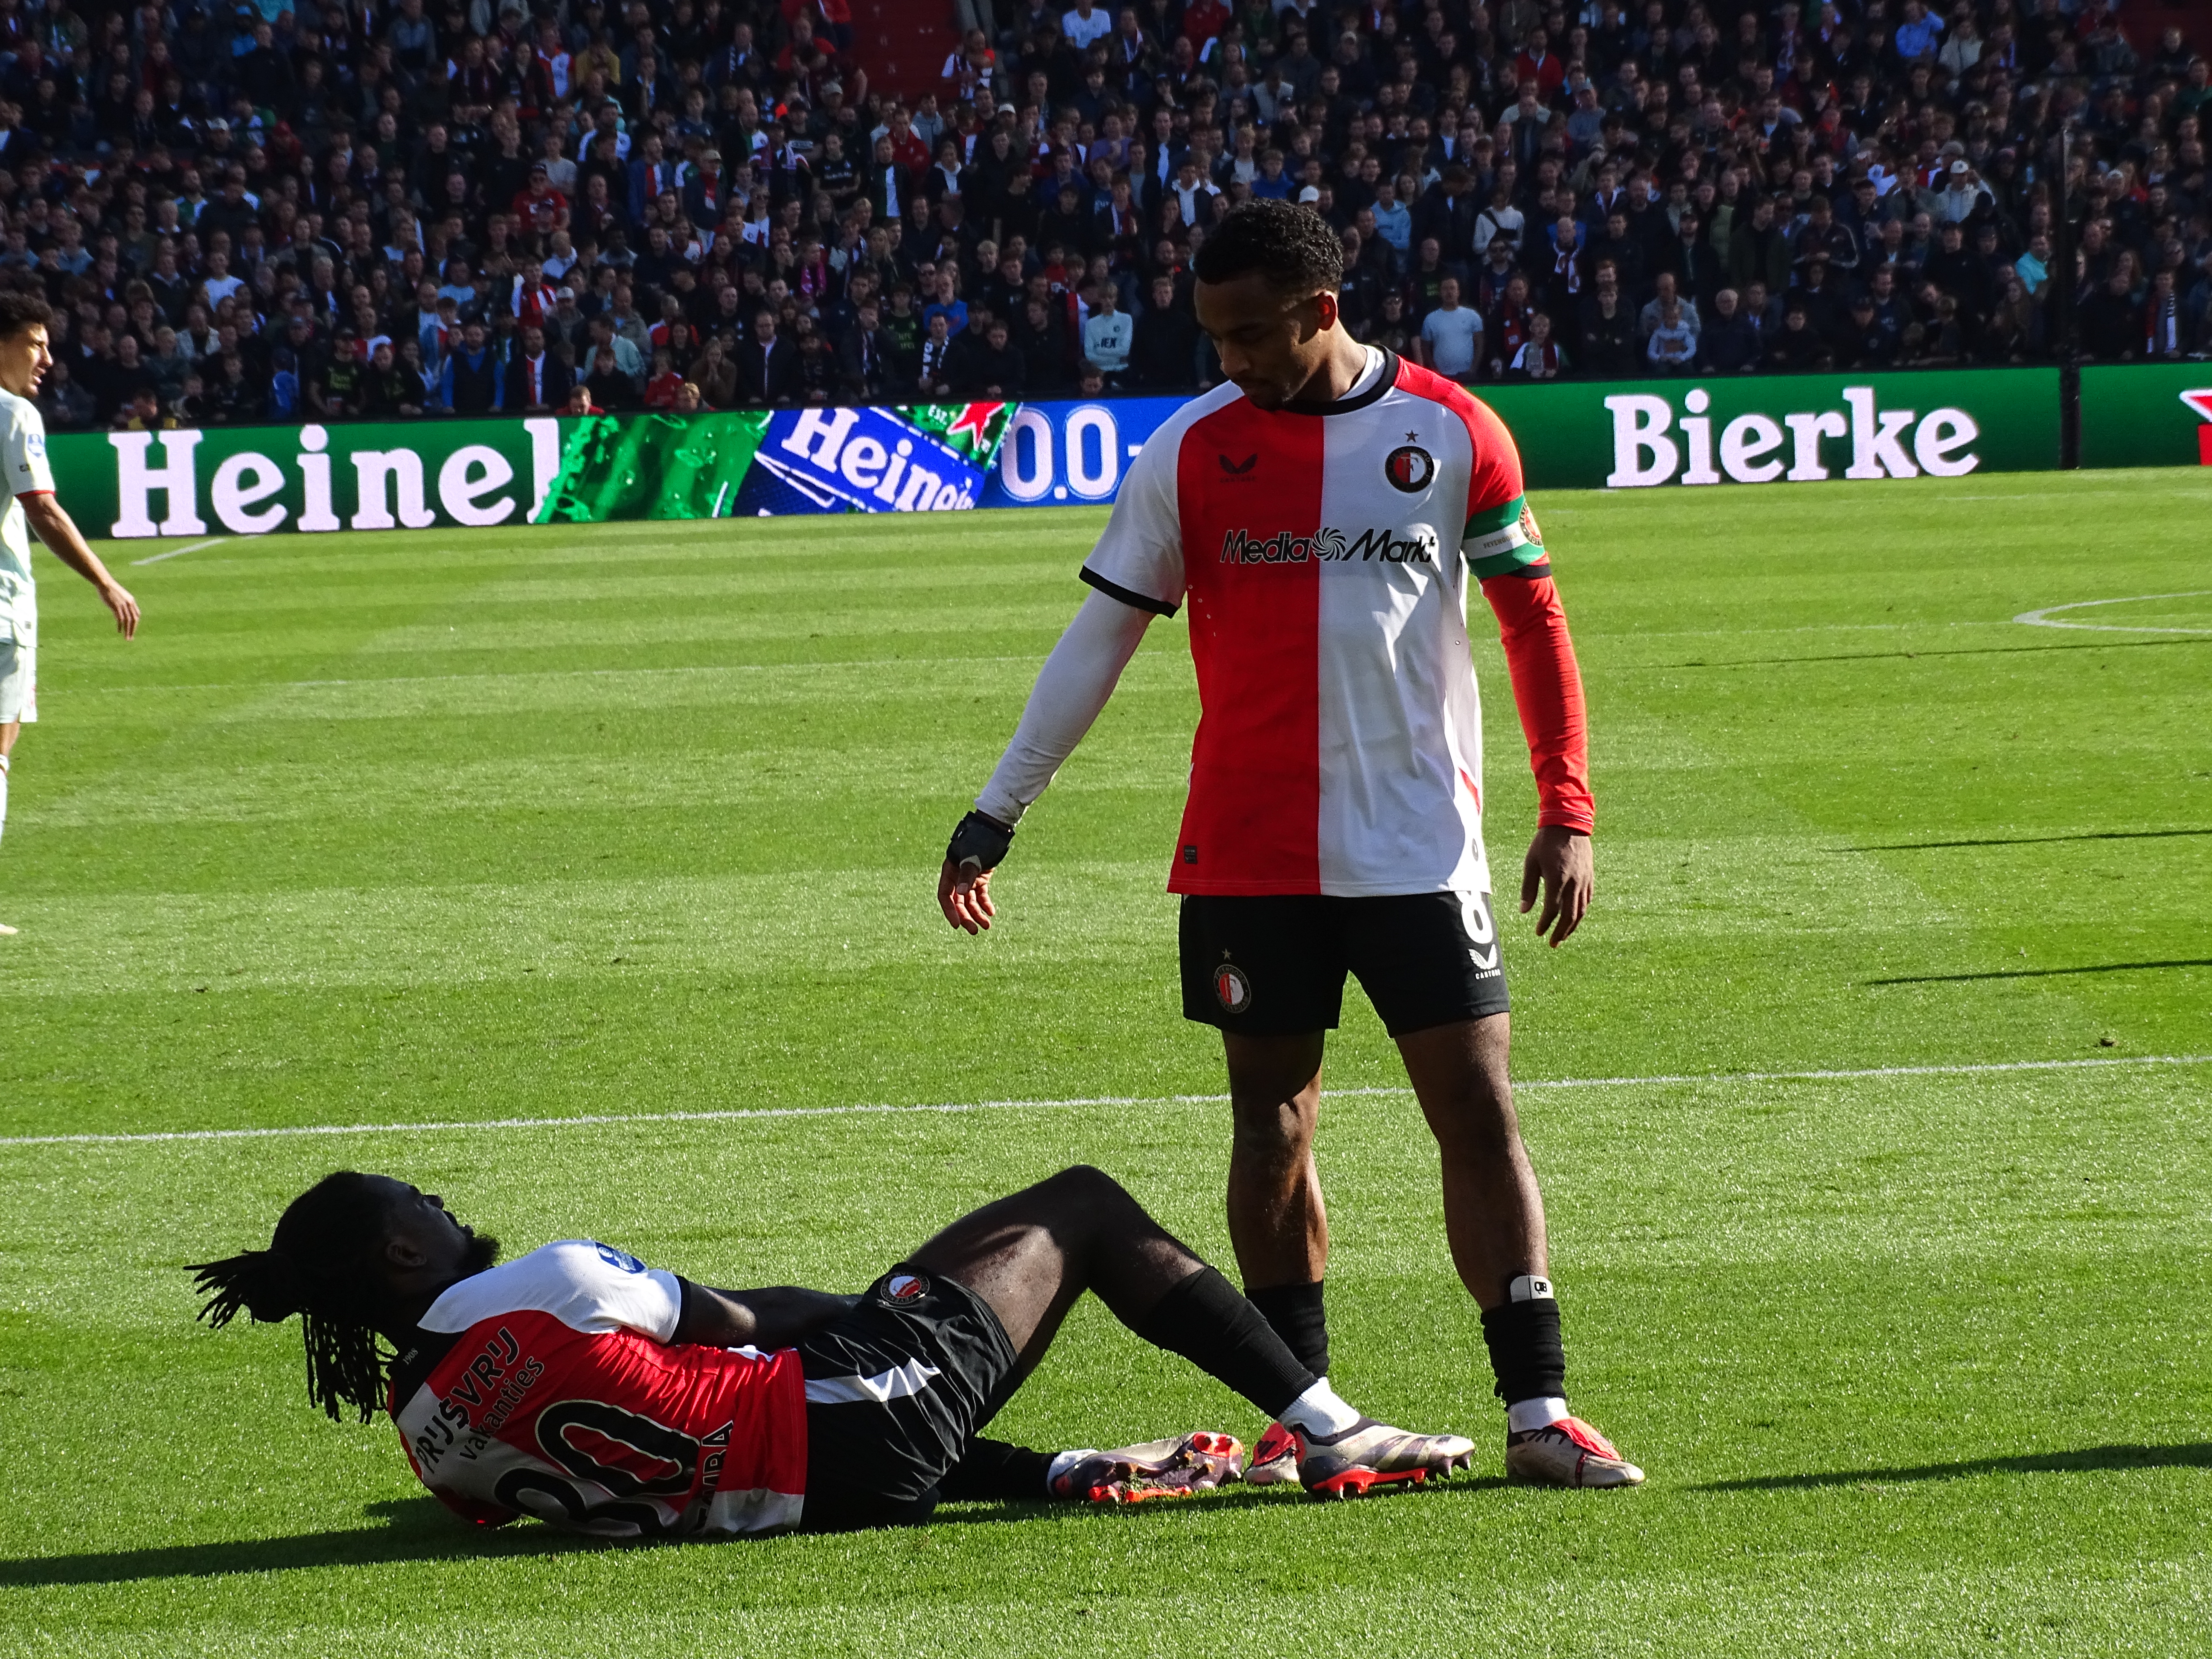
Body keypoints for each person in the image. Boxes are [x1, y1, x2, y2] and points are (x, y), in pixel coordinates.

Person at [933, 201, 1639, 1491]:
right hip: (1252, 853)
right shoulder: (1192, 449)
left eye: (1250, 333)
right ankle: (1308, 1418)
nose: (1230, 361)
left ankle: (1539, 1412)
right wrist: (1000, 807)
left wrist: (1567, 807)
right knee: (1271, 1129)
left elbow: (1534, 621)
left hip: (1423, 847)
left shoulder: (1451, 429)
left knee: (1478, 1115)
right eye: (1212, 336)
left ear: (1323, 310)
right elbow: (1102, 639)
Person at [189, 1164, 1480, 1538]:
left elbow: (716, 1442)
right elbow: (762, 1331)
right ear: (402, 1258)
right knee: (1079, 1207)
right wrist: (893, 1304)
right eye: (413, 1198)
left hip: (824, 1489)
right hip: (848, 1416)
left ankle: (1062, 1471)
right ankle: (1329, 1422)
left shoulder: (428, 1446)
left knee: (822, 1400)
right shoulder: (546, 1284)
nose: (437, 1200)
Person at [0, 294, 140, 936]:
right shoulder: (14, 415)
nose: (48, 359)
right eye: (35, 342)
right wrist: (106, 580)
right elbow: (44, 509)